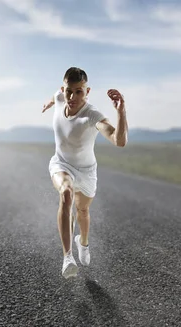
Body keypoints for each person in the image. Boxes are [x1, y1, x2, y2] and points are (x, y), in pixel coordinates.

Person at [41, 66, 128, 279]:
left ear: (87, 92)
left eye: (78, 91)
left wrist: (121, 111)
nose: (72, 96)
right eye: (68, 91)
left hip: (87, 172)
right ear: (63, 89)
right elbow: (56, 96)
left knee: (82, 212)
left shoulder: (93, 115)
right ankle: (67, 257)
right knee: (66, 193)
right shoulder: (60, 97)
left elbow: (119, 141)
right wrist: (49, 103)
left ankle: (83, 242)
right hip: (61, 164)